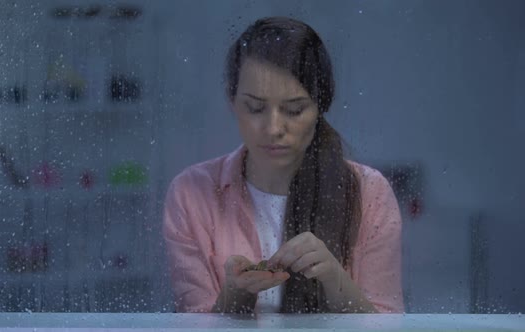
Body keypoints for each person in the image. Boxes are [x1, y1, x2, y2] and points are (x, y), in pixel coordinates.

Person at [162, 17, 403, 314]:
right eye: (255, 107)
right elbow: (191, 322)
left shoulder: (370, 192)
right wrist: (234, 297)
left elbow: (390, 322)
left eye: (294, 109)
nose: (274, 128)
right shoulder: (191, 193)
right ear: (231, 100)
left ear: (320, 106)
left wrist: (333, 277)